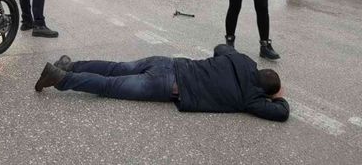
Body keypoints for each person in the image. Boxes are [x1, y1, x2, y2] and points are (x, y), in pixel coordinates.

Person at [34, 44, 290, 122]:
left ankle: (70, 65)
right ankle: (62, 78)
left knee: (116, 68)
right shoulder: (252, 99)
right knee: (110, 86)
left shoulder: (243, 61)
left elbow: (221, 47)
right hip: (167, 85)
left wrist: (221, 63)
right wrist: (278, 96)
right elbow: (281, 113)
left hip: (170, 63)